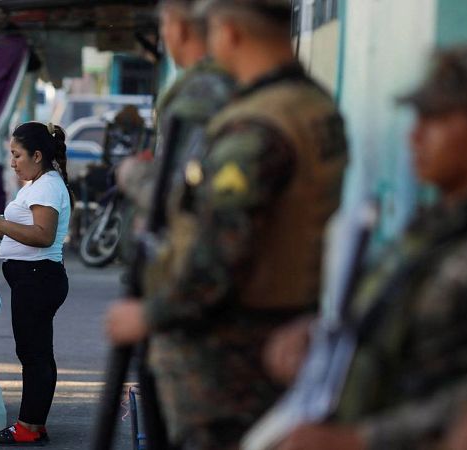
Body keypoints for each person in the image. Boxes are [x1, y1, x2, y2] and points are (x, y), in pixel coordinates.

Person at [105, 0, 348, 448]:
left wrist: (146, 315)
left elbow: (217, 254)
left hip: (227, 360)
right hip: (277, 334)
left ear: (230, 32)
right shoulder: (313, 106)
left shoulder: (257, 127)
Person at [254, 46, 467, 450]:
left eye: (437, 118)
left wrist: (359, 439)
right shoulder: (430, 228)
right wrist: (319, 339)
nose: (415, 134)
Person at [0, 122, 71, 446]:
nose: (12, 162)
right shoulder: (38, 184)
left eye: (16, 155)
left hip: (39, 278)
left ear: (37, 155)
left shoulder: (47, 187)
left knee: (35, 354)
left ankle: (28, 426)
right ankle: (34, 423)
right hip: (32, 278)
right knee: (34, 351)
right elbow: (20, 228)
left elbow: (43, 235)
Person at [117, 0, 234, 216]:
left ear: (179, 29)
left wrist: (131, 174)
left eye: (163, 25)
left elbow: (180, 196)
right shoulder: (226, 80)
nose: (164, 36)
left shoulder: (199, 94)